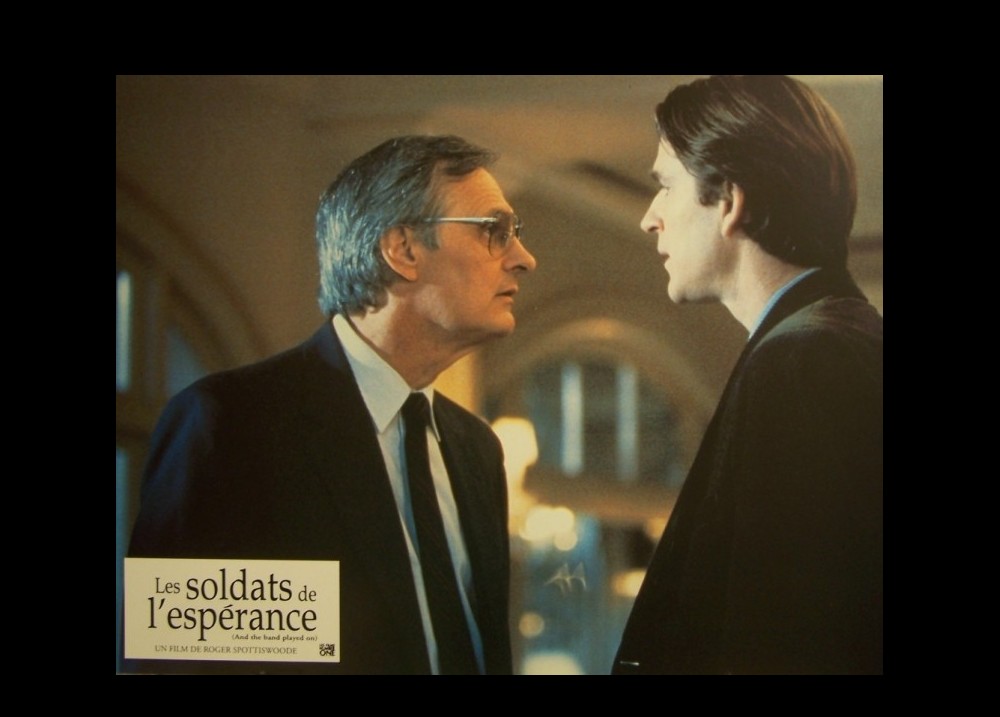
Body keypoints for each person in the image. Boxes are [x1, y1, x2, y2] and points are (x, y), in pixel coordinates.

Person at [127, 134, 536, 674]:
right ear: (403, 249)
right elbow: (176, 663)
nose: (524, 259)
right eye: (494, 232)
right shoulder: (234, 427)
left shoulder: (476, 448)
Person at [613, 76, 882, 674]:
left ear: (731, 201)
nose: (649, 218)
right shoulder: (835, 339)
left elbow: (791, 643)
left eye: (666, 185)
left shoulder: (804, 359)